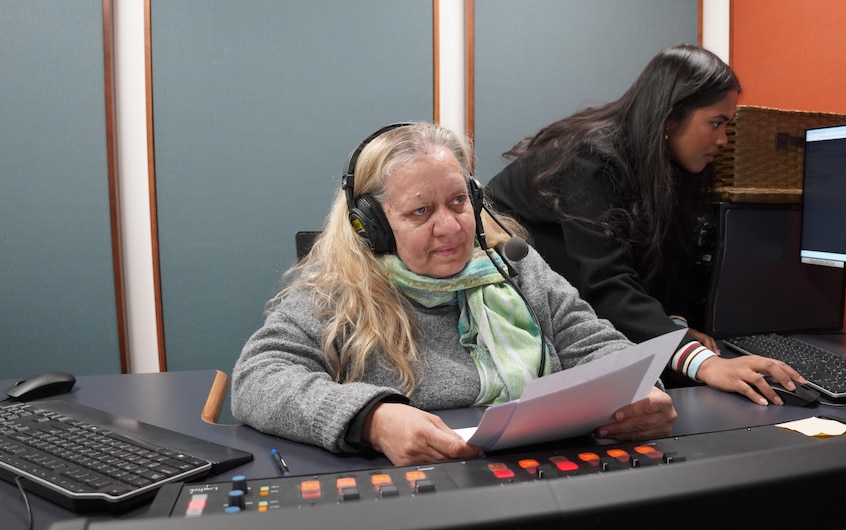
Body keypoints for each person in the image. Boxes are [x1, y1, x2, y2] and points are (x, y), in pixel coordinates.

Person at [231, 122, 677, 466]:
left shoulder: (515, 266)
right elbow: (258, 378)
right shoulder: (338, 291)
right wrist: (372, 420)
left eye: (458, 202)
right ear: (374, 224)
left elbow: (596, 344)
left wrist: (637, 395)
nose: (449, 227)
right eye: (421, 211)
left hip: (540, 472)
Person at [486, 44, 805, 407]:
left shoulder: (664, 165)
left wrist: (676, 329)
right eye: (716, 123)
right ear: (669, 119)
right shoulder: (590, 161)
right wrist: (704, 363)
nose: (723, 140)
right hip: (508, 289)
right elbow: (606, 284)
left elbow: (663, 264)